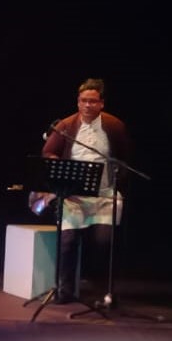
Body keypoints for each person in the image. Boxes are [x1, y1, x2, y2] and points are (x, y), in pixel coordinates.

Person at [30, 78, 132, 304]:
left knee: (105, 242)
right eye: (83, 100)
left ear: (101, 103)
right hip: (73, 196)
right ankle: (64, 290)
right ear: (78, 102)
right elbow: (48, 152)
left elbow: (123, 157)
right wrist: (62, 170)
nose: (87, 105)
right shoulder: (66, 125)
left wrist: (119, 174)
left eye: (92, 101)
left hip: (104, 195)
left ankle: (103, 292)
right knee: (67, 241)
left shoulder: (114, 125)